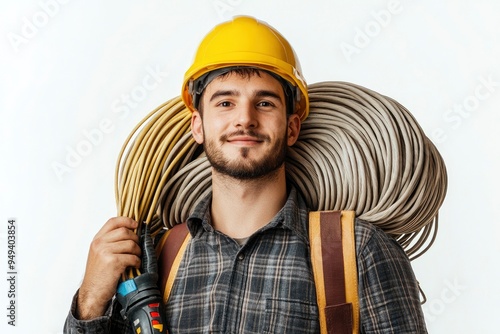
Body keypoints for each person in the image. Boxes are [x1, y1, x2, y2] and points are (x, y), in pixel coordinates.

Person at [64, 16, 427, 333]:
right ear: (197, 126)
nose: (245, 118)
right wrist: (92, 297)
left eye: (265, 102)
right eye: (225, 102)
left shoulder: (356, 251)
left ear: (292, 127)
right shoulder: (157, 256)